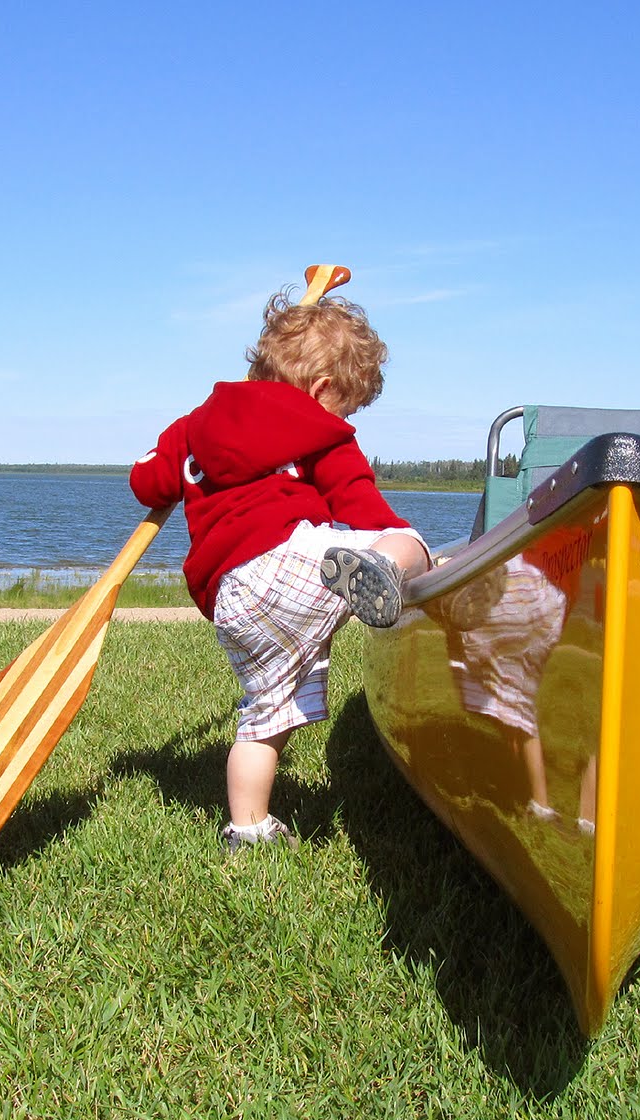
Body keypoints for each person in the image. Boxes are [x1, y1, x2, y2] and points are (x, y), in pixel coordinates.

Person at [130, 285, 430, 852]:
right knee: (405, 539)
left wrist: (169, 450)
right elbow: (358, 500)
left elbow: (144, 480)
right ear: (321, 390)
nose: (346, 420)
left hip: (232, 599)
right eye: (346, 407)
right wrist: (394, 536)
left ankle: (247, 828)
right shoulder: (319, 429)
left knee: (266, 713)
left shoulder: (193, 426)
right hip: (291, 562)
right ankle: (388, 570)